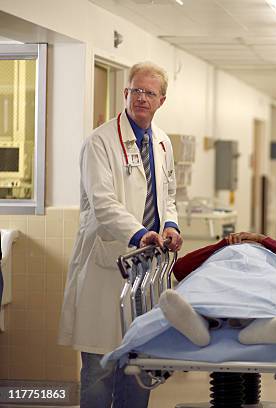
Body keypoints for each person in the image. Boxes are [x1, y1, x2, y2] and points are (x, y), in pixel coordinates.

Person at [58, 62, 183, 408]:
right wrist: (141, 233)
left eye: (150, 93)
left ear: (162, 100)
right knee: (100, 373)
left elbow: (168, 196)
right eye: (136, 91)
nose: (142, 98)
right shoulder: (99, 142)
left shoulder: (161, 142)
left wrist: (170, 225)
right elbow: (103, 204)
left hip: (146, 273)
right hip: (106, 266)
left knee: (138, 370)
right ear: (125, 93)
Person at [157, 232, 276, 347]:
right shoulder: (223, 251)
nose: (244, 241)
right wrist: (223, 244)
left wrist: (262, 240)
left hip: (263, 272)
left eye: (250, 240)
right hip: (219, 270)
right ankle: (198, 322)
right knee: (203, 283)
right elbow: (180, 268)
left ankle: (260, 324)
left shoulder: (268, 253)